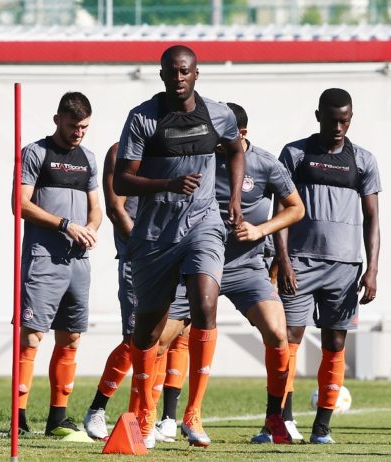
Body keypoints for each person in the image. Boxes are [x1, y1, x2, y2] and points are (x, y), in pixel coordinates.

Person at [113, 45, 245, 448]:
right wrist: (168, 184)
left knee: (205, 303)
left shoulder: (218, 114)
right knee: (148, 330)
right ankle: (144, 413)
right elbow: (121, 180)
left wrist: (234, 198)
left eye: (185, 71)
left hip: (203, 224)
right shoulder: (143, 118)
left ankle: (193, 413)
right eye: (171, 72)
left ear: (196, 73)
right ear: (162, 75)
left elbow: (236, 149)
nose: (178, 78)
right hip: (155, 234)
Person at [274, 88, 381, 444]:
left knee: (334, 343)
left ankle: (322, 427)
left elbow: (372, 219)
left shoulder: (363, 160)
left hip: (345, 268)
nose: (338, 127)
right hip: (299, 264)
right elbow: (280, 212)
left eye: (344, 121)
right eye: (332, 120)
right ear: (318, 116)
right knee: (287, 340)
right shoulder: (295, 154)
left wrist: (372, 269)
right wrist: (283, 261)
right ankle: (282, 421)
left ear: (350, 119)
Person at [83, 143, 190, 442]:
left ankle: (144, 418)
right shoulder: (120, 151)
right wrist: (146, 249)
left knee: (161, 342)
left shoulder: (172, 150)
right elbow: (116, 208)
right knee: (135, 340)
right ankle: (97, 408)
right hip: (138, 258)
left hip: (171, 257)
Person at [13, 92, 102, 441]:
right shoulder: (35, 153)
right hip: (43, 258)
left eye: (84, 127)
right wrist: (66, 225)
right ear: (57, 120)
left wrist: (90, 228)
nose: (78, 133)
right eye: (73, 126)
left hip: (78, 262)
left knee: (72, 336)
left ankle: (58, 419)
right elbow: (20, 204)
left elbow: (96, 208)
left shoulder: (88, 158)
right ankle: (18, 419)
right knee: (32, 335)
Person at [215, 103, 305, 444]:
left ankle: (274, 422)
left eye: (223, 135)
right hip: (202, 266)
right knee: (160, 337)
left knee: (278, 333)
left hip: (247, 268)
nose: (217, 142)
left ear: (242, 134)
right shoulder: (202, 159)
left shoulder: (266, 163)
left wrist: (260, 230)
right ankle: (159, 420)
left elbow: (296, 208)